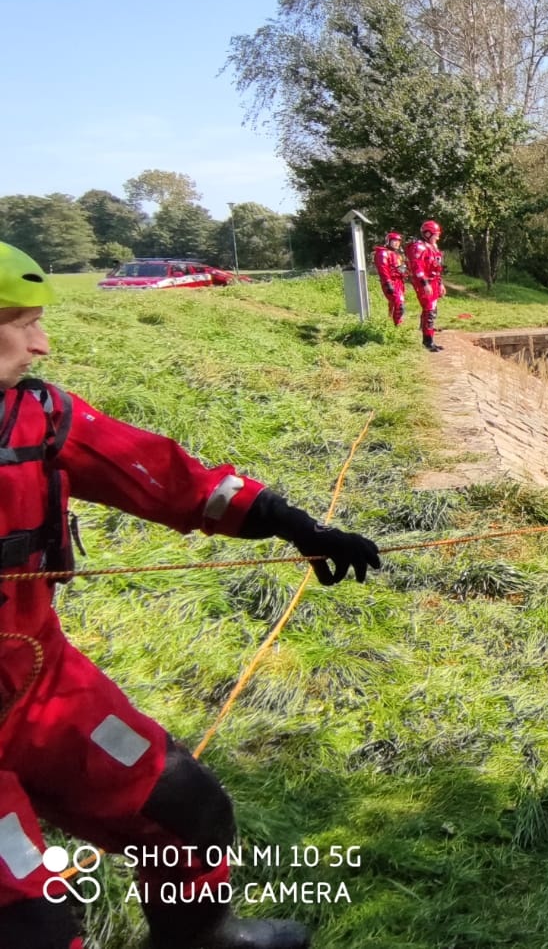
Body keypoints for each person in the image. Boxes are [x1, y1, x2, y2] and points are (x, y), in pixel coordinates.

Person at [0, 241, 382, 949]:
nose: (43, 344)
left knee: (185, 810)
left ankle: (198, 940)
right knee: (31, 923)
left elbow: (163, 473)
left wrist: (295, 526)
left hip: (39, 683)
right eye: (22, 322)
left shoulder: (40, 416)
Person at [404, 221, 445, 352]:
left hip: (432, 281)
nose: (438, 237)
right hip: (424, 282)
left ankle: (429, 337)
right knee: (429, 310)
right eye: (436, 234)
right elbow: (417, 268)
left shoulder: (431, 247)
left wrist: (440, 284)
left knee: (433, 310)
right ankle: (427, 341)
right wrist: (425, 284)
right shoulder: (419, 247)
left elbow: (437, 268)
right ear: (427, 234)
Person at [371, 231, 408, 327]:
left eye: (398, 241)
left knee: (395, 303)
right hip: (390, 282)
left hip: (399, 282)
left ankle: (390, 322)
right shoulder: (383, 253)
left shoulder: (397, 254)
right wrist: (388, 283)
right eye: (394, 241)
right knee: (399, 304)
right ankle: (397, 326)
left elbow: (400, 268)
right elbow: (383, 269)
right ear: (388, 241)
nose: (397, 243)